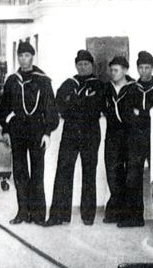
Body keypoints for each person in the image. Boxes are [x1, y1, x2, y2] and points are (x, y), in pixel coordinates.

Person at [0, 41, 58, 225]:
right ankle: (23, 212)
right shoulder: (11, 81)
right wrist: (6, 131)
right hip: (17, 130)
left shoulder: (43, 80)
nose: (23, 59)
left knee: (37, 172)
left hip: (37, 130)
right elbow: (4, 108)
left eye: (27, 55)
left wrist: (47, 132)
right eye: (20, 56)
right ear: (17, 57)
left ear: (33, 57)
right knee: (19, 172)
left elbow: (51, 108)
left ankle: (39, 214)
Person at [46, 50, 104, 227]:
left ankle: (88, 215)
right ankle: (59, 215)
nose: (83, 67)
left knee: (89, 172)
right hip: (70, 132)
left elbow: (97, 107)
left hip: (90, 132)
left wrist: (75, 102)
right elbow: (60, 105)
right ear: (76, 65)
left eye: (86, 64)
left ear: (92, 65)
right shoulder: (68, 83)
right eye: (80, 64)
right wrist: (81, 103)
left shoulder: (99, 85)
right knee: (63, 171)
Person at [123, 51, 153, 228]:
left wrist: (140, 113)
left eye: (147, 68)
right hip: (136, 139)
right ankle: (135, 218)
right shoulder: (132, 88)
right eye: (140, 68)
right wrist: (147, 115)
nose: (144, 71)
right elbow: (128, 115)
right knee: (133, 175)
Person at [102, 56, 138, 224]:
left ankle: (127, 213)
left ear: (125, 71)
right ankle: (115, 209)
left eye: (116, 70)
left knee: (129, 174)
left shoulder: (134, 88)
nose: (113, 73)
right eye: (112, 70)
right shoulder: (107, 89)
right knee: (112, 172)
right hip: (112, 135)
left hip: (130, 135)